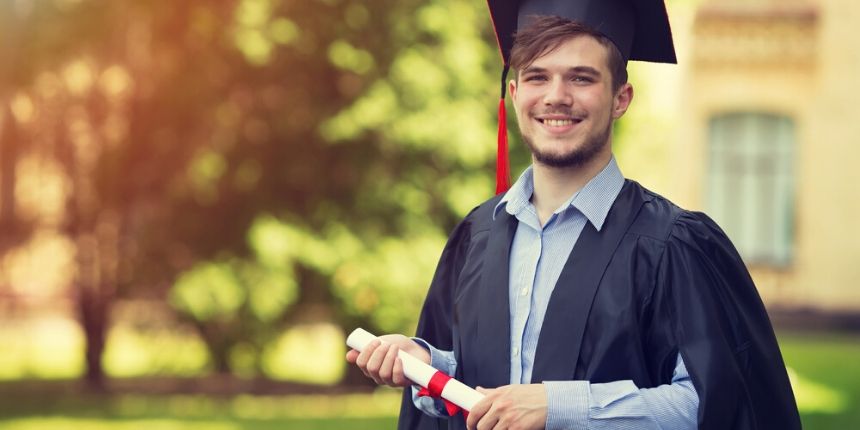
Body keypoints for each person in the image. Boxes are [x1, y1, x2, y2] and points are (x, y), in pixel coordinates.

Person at [347, 0, 801, 429]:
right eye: (538, 77)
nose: (556, 97)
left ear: (621, 98)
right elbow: (478, 386)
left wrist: (558, 405)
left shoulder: (674, 245)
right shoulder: (476, 236)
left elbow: (711, 403)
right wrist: (427, 364)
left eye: (581, 78)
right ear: (515, 91)